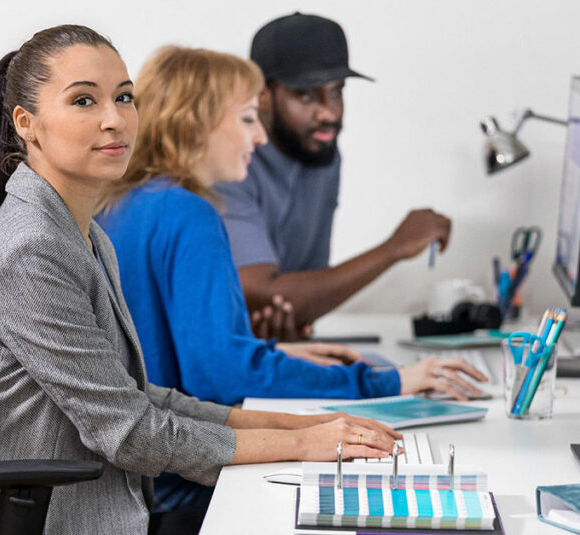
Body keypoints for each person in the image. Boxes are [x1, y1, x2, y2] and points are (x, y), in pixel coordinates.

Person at [0, 25, 403, 535]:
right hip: (63, 519)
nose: (114, 119)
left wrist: (306, 427)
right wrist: (302, 443)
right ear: (27, 124)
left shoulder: (84, 231)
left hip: (105, 497)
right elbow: (133, 431)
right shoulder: (31, 249)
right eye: (83, 101)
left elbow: (139, 395)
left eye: (124, 97)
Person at [95, 45, 487, 523]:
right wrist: (390, 380)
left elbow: (187, 355)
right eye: (246, 120)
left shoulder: (127, 201)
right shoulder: (188, 214)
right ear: (194, 124)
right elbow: (222, 376)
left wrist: (277, 352)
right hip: (181, 490)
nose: (260, 138)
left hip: (141, 479)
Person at [214, 12, 453, 340]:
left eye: (337, 92)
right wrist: (394, 248)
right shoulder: (229, 161)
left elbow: (304, 293)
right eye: (307, 95)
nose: (330, 112)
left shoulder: (321, 154)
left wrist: (295, 314)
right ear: (262, 94)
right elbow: (257, 293)